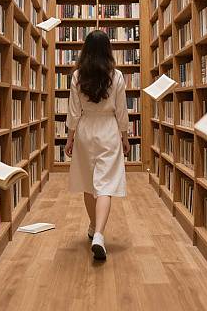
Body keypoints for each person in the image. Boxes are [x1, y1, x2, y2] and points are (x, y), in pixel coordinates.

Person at [65, 30, 130, 261]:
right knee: (106, 184)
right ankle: (99, 234)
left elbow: (73, 111)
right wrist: (125, 136)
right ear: (108, 50)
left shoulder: (77, 76)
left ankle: (93, 227)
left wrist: (70, 138)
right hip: (108, 130)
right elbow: (121, 111)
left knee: (87, 182)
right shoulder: (117, 76)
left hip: (85, 129)